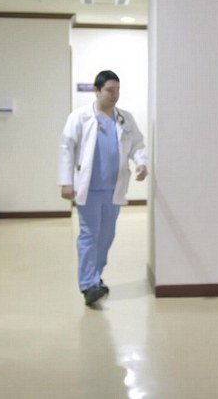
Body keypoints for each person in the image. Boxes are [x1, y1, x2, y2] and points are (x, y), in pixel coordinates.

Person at [58, 70, 148, 307]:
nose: (114, 94)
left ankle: (95, 276)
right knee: (89, 235)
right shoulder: (80, 117)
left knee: (106, 236)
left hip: (114, 189)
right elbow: (66, 148)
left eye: (117, 90)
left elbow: (137, 145)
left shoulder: (125, 119)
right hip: (88, 189)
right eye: (109, 90)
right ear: (97, 91)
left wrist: (141, 163)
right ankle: (88, 284)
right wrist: (66, 182)